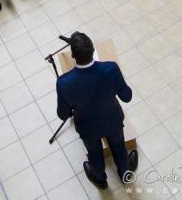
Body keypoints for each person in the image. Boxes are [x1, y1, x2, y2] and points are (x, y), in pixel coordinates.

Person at [56, 31, 137, 189]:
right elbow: (127, 97)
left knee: (94, 153)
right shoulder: (111, 68)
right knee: (118, 146)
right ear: (93, 50)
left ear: (72, 55)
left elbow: (63, 114)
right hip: (112, 120)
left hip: (88, 128)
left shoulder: (64, 83)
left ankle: (100, 179)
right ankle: (125, 172)